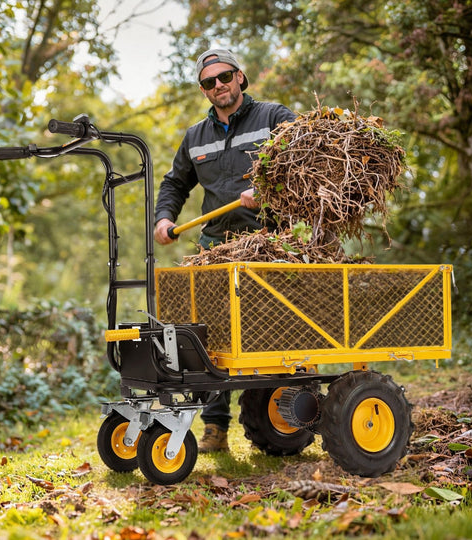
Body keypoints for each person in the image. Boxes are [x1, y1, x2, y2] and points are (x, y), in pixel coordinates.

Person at [154, 48, 296, 452]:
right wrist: (164, 218)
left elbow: (302, 158)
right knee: (210, 338)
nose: (219, 85)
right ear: (203, 90)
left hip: (270, 244)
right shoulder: (195, 137)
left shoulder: (273, 117)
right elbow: (174, 184)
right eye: (209, 82)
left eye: (225, 77)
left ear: (241, 77)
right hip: (215, 247)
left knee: (270, 334)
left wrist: (267, 186)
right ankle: (215, 426)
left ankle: (278, 419)